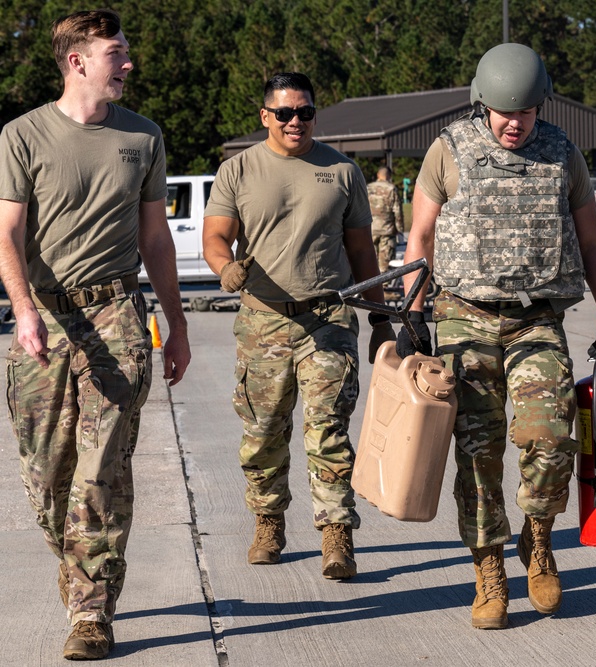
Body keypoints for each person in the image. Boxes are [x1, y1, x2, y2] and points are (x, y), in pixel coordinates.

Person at [397, 42, 596, 630]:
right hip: (463, 318)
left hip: (537, 319)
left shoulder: (562, 154)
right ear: (481, 104)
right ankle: (488, 569)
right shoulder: (447, 151)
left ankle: (539, 541)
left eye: (524, 113)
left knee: (550, 440)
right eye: (502, 113)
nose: (513, 124)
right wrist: (413, 316)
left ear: (541, 107)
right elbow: (419, 237)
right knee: (478, 455)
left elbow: (592, 242)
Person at [0, 9, 191, 660]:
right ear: (77, 61)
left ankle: (91, 610)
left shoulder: (143, 138)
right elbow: (7, 234)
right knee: (46, 476)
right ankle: (76, 558)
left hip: (116, 312)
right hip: (44, 318)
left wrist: (177, 322)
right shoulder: (22, 136)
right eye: (117, 53)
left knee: (100, 470)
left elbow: (155, 238)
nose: (129, 64)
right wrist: (23, 309)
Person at [202, 72, 395, 582]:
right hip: (263, 321)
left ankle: (336, 534)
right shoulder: (237, 171)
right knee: (263, 433)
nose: (295, 122)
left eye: (305, 112)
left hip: (328, 318)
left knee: (328, 429)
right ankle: (268, 522)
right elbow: (216, 238)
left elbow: (361, 251)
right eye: (284, 113)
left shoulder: (342, 171)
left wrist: (380, 319)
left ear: (314, 114)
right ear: (265, 115)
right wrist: (226, 267)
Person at [368, 166, 405, 273]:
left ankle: (370, 284)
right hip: (387, 229)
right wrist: (400, 229)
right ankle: (384, 286)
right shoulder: (391, 189)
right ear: (388, 176)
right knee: (385, 260)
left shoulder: (368, 188)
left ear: (378, 175)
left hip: (370, 228)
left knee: (370, 258)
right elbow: (397, 211)